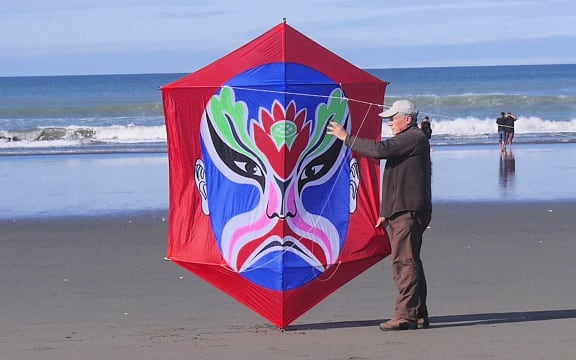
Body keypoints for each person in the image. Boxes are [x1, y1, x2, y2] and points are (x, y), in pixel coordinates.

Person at [327, 99, 432, 331]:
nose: (390, 123)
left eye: (393, 119)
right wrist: (386, 212)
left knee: (404, 261)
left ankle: (406, 316)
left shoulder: (412, 137)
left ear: (407, 119)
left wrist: (347, 137)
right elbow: (393, 180)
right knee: (409, 259)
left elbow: (378, 151)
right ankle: (418, 313)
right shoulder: (407, 140)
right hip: (401, 208)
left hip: (410, 210)